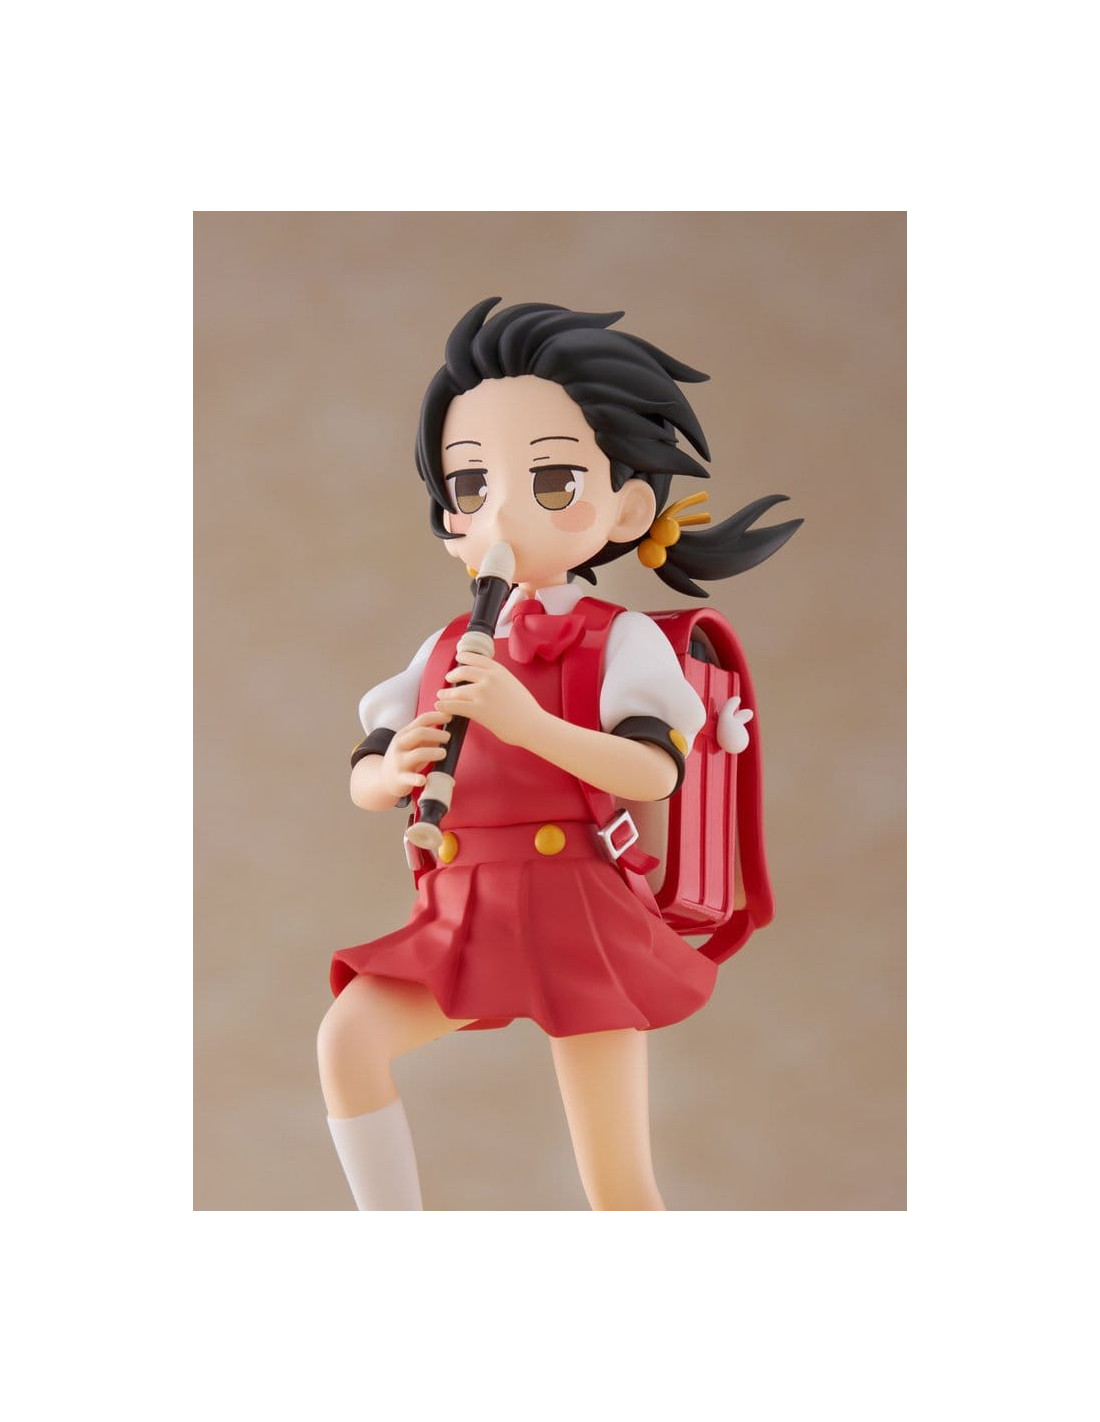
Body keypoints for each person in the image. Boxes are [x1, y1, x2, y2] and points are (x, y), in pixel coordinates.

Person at [317, 298, 800, 1210]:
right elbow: (366, 772)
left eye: (550, 481)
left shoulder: (620, 639)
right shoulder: (447, 643)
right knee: (347, 1041)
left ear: (627, 505)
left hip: (578, 902)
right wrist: (393, 771)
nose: (499, 511)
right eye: (471, 485)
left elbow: (654, 771)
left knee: (614, 1178)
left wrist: (525, 723)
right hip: (465, 901)